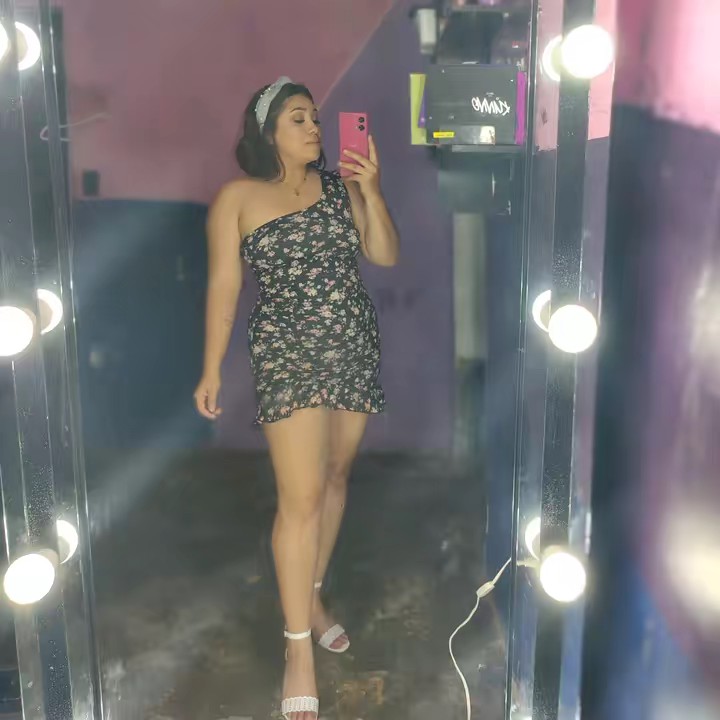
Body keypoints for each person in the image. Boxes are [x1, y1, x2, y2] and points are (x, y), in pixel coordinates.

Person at [193, 77, 399, 720]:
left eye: (315, 117)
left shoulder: (340, 188)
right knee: (300, 498)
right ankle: (298, 650)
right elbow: (224, 286)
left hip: (353, 345)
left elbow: (384, 255)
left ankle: (310, 595)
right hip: (287, 353)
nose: (314, 128)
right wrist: (211, 369)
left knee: (335, 477)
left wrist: (371, 189)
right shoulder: (237, 198)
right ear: (268, 133)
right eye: (298, 119)